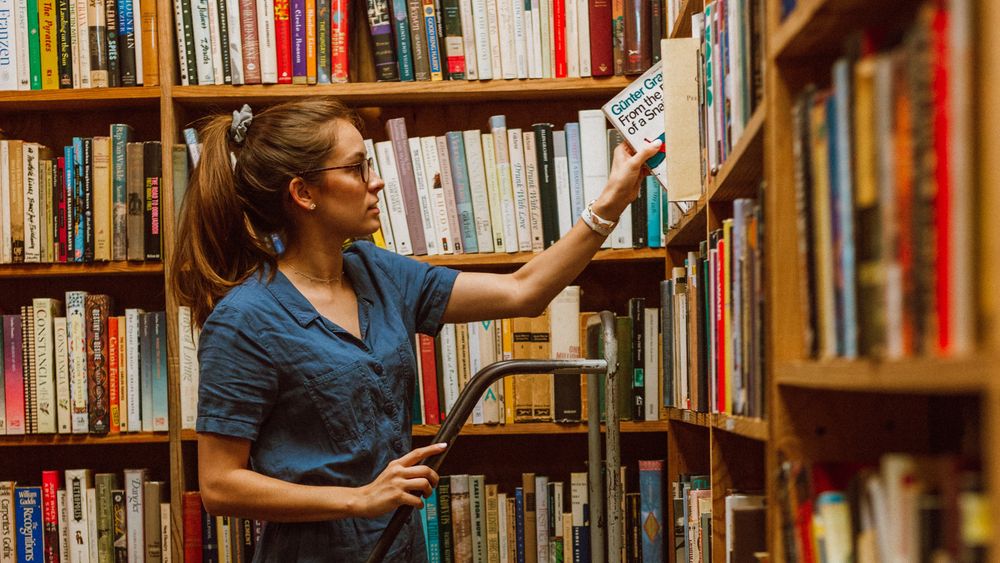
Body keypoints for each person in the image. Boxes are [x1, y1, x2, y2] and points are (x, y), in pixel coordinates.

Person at [170, 97, 662, 562]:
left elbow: (523, 291)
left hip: (402, 550)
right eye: (357, 167)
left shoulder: (377, 272)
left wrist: (612, 201)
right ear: (303, 193)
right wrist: (358, 500)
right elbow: (219, 486)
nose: (376, 181)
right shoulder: (245, 320)